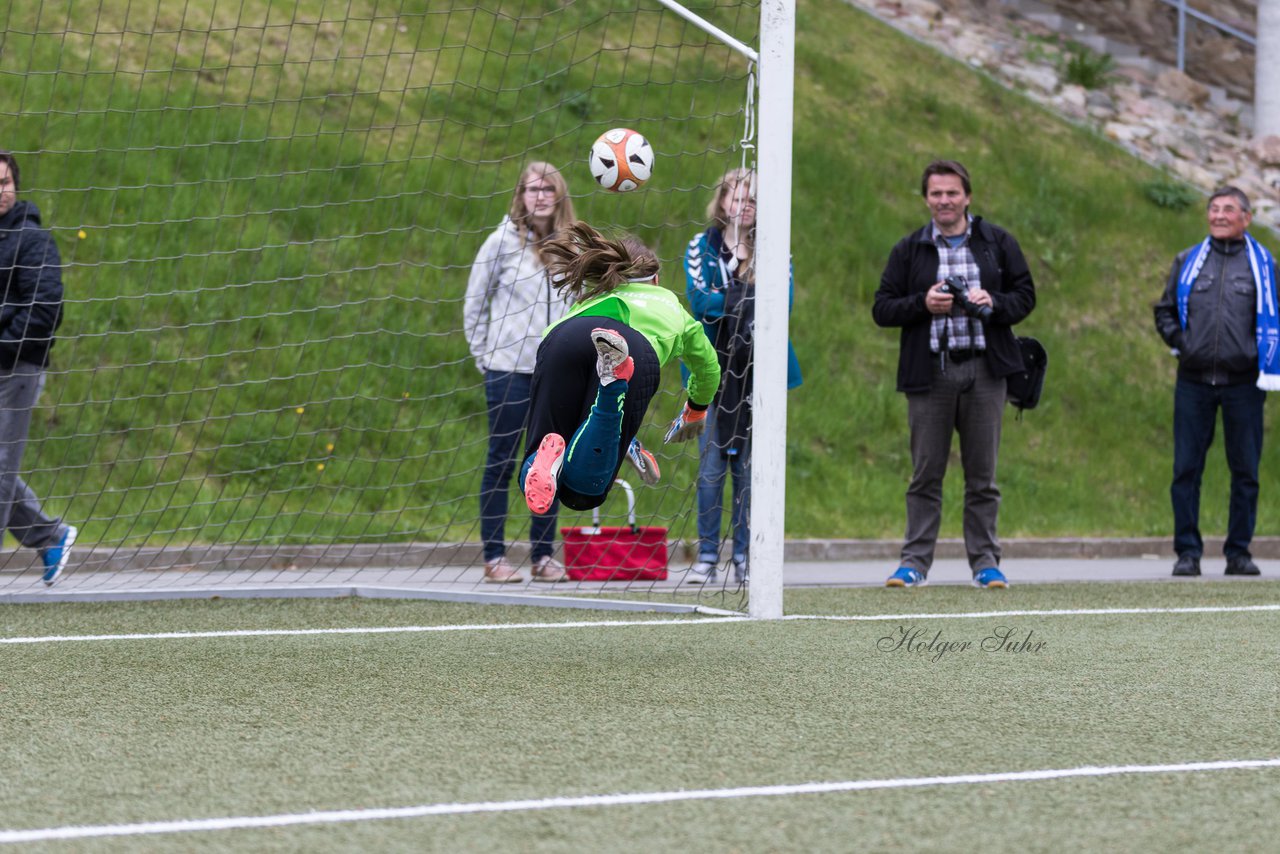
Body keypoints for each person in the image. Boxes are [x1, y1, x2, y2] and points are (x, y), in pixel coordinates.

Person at [871, 159, 1036, 589]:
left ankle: (986, 562)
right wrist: (922, 304)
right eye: (936, 193)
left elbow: (1025, 297)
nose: (945, 201)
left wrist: (993, 301)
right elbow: (882, 308)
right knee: (926, 473)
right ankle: (913, 563)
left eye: (952, 193)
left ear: (968, 196)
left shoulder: (996, 242)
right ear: (926, 198)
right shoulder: (909, 249)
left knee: (983, 476)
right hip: (930, 374)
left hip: (986, 369)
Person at [519, 221, 721, 518]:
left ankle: (545, 458)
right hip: (633, 347)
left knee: (536, 452)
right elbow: (709, 368)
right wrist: (696, 408)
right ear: (656, 280)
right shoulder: (669, 304)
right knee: (581, 494)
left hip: (564, 338)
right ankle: (612, 390)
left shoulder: (595, 298)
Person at [683, 168, 802, 585]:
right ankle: (707, 556)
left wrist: (734, 301)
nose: (744, 206)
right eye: (737, 198)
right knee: (712, 467)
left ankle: (748, 556)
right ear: (721, 202)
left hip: (760, 374)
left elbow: (779, 307)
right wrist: (747, 299)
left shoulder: (775, 249)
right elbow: (700, 303)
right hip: (714, 371)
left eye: (752, 200)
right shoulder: (701, 247)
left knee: (751, 470)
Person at [1153, 186, 1277, 578]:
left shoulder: (1264, 265)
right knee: (1186, 468)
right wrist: (1181, 343)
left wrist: (1261, 358)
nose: (1219, 215)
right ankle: (1187, 552)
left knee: (1246, 471)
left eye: (1228, 209)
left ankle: (1238, 553)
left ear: (1246, 217)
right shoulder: (1188, 260)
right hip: (1193, 381)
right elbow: (1165, 311)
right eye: (1213, 209)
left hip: (1244, 384)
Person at [463, 162, 575, 583]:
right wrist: (488, 357)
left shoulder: (573, 245)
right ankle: (494, 556)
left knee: (547, 464)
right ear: (521, 195)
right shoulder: (501, 242)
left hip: (557, 374)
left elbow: (581, 305)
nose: (541, 195)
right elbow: (475, 304)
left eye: (548, 188)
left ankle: (543, 556)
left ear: (559, 194)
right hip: (507, 371)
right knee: (502, 461)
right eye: (533, 189)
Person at [0, 150, 76, 586]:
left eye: (5, 181)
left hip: (17, 369)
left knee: (0, 467)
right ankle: (51, 536)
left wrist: (3, 347)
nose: (0, 190)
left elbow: (45, 312)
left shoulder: (34, 240)